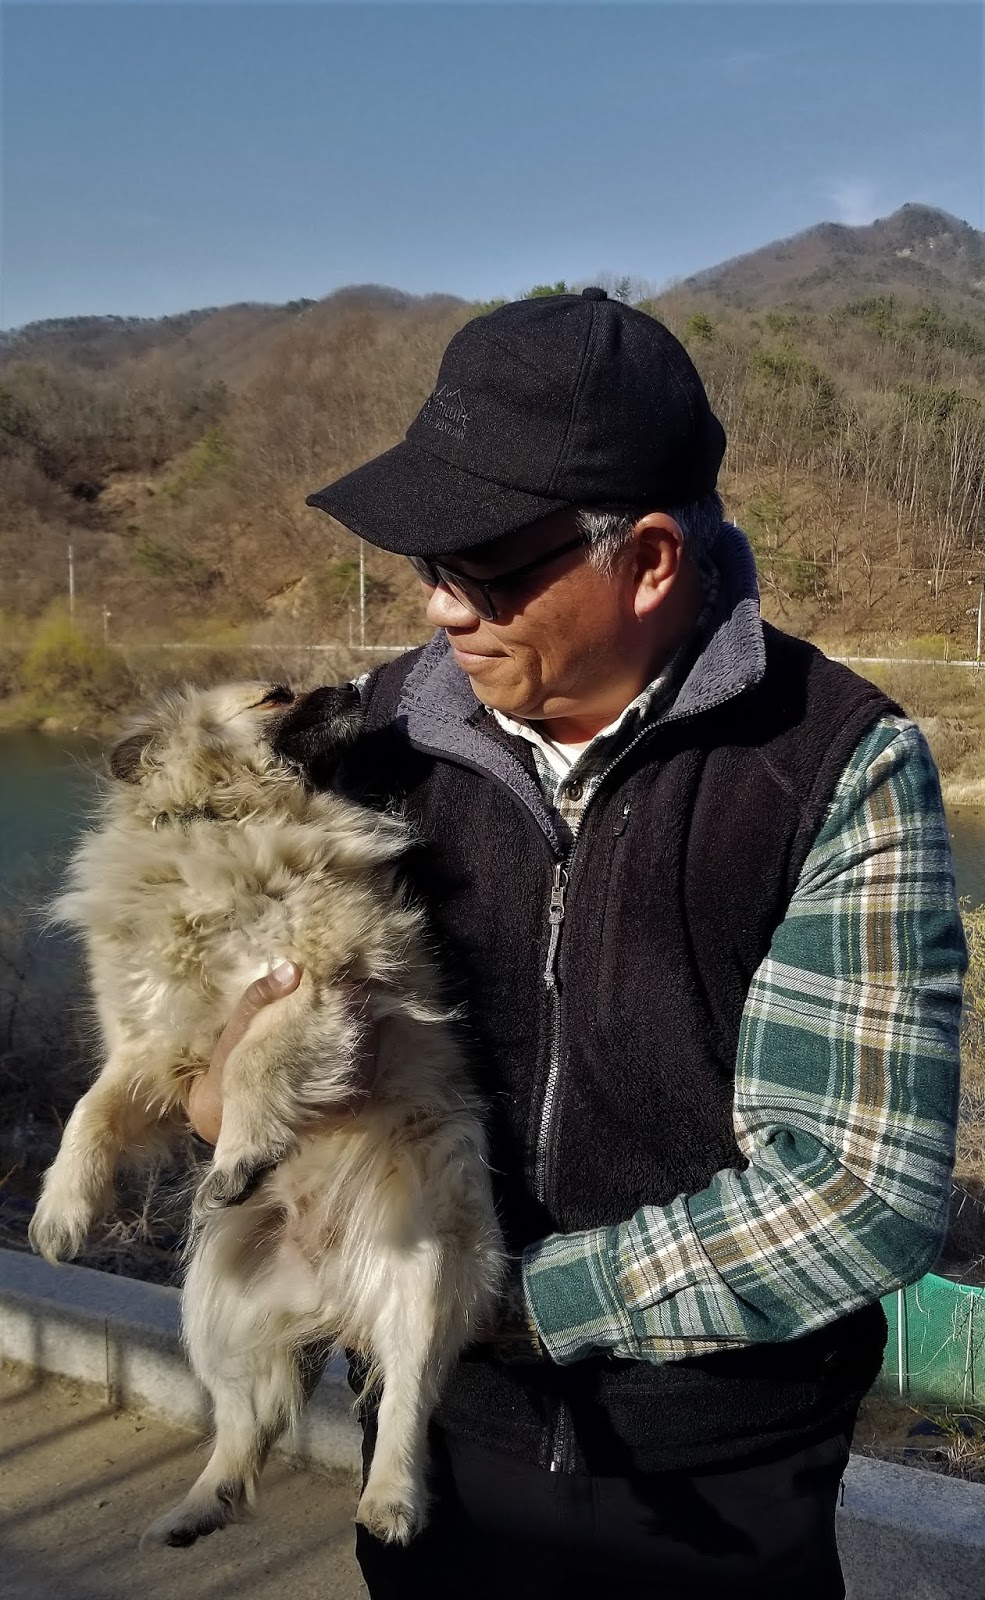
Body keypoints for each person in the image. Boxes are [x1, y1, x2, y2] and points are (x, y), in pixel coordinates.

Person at [187, 289, 966, 1599]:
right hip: (432, 1454)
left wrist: (503, 1302)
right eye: (425, 563)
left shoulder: (835, 765)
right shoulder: (371, 736)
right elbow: (223, 1046)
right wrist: (227, 1081)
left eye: (482, 568)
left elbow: (858, 1190)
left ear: (648, 560)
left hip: (711, 1482)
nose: (440, 606)